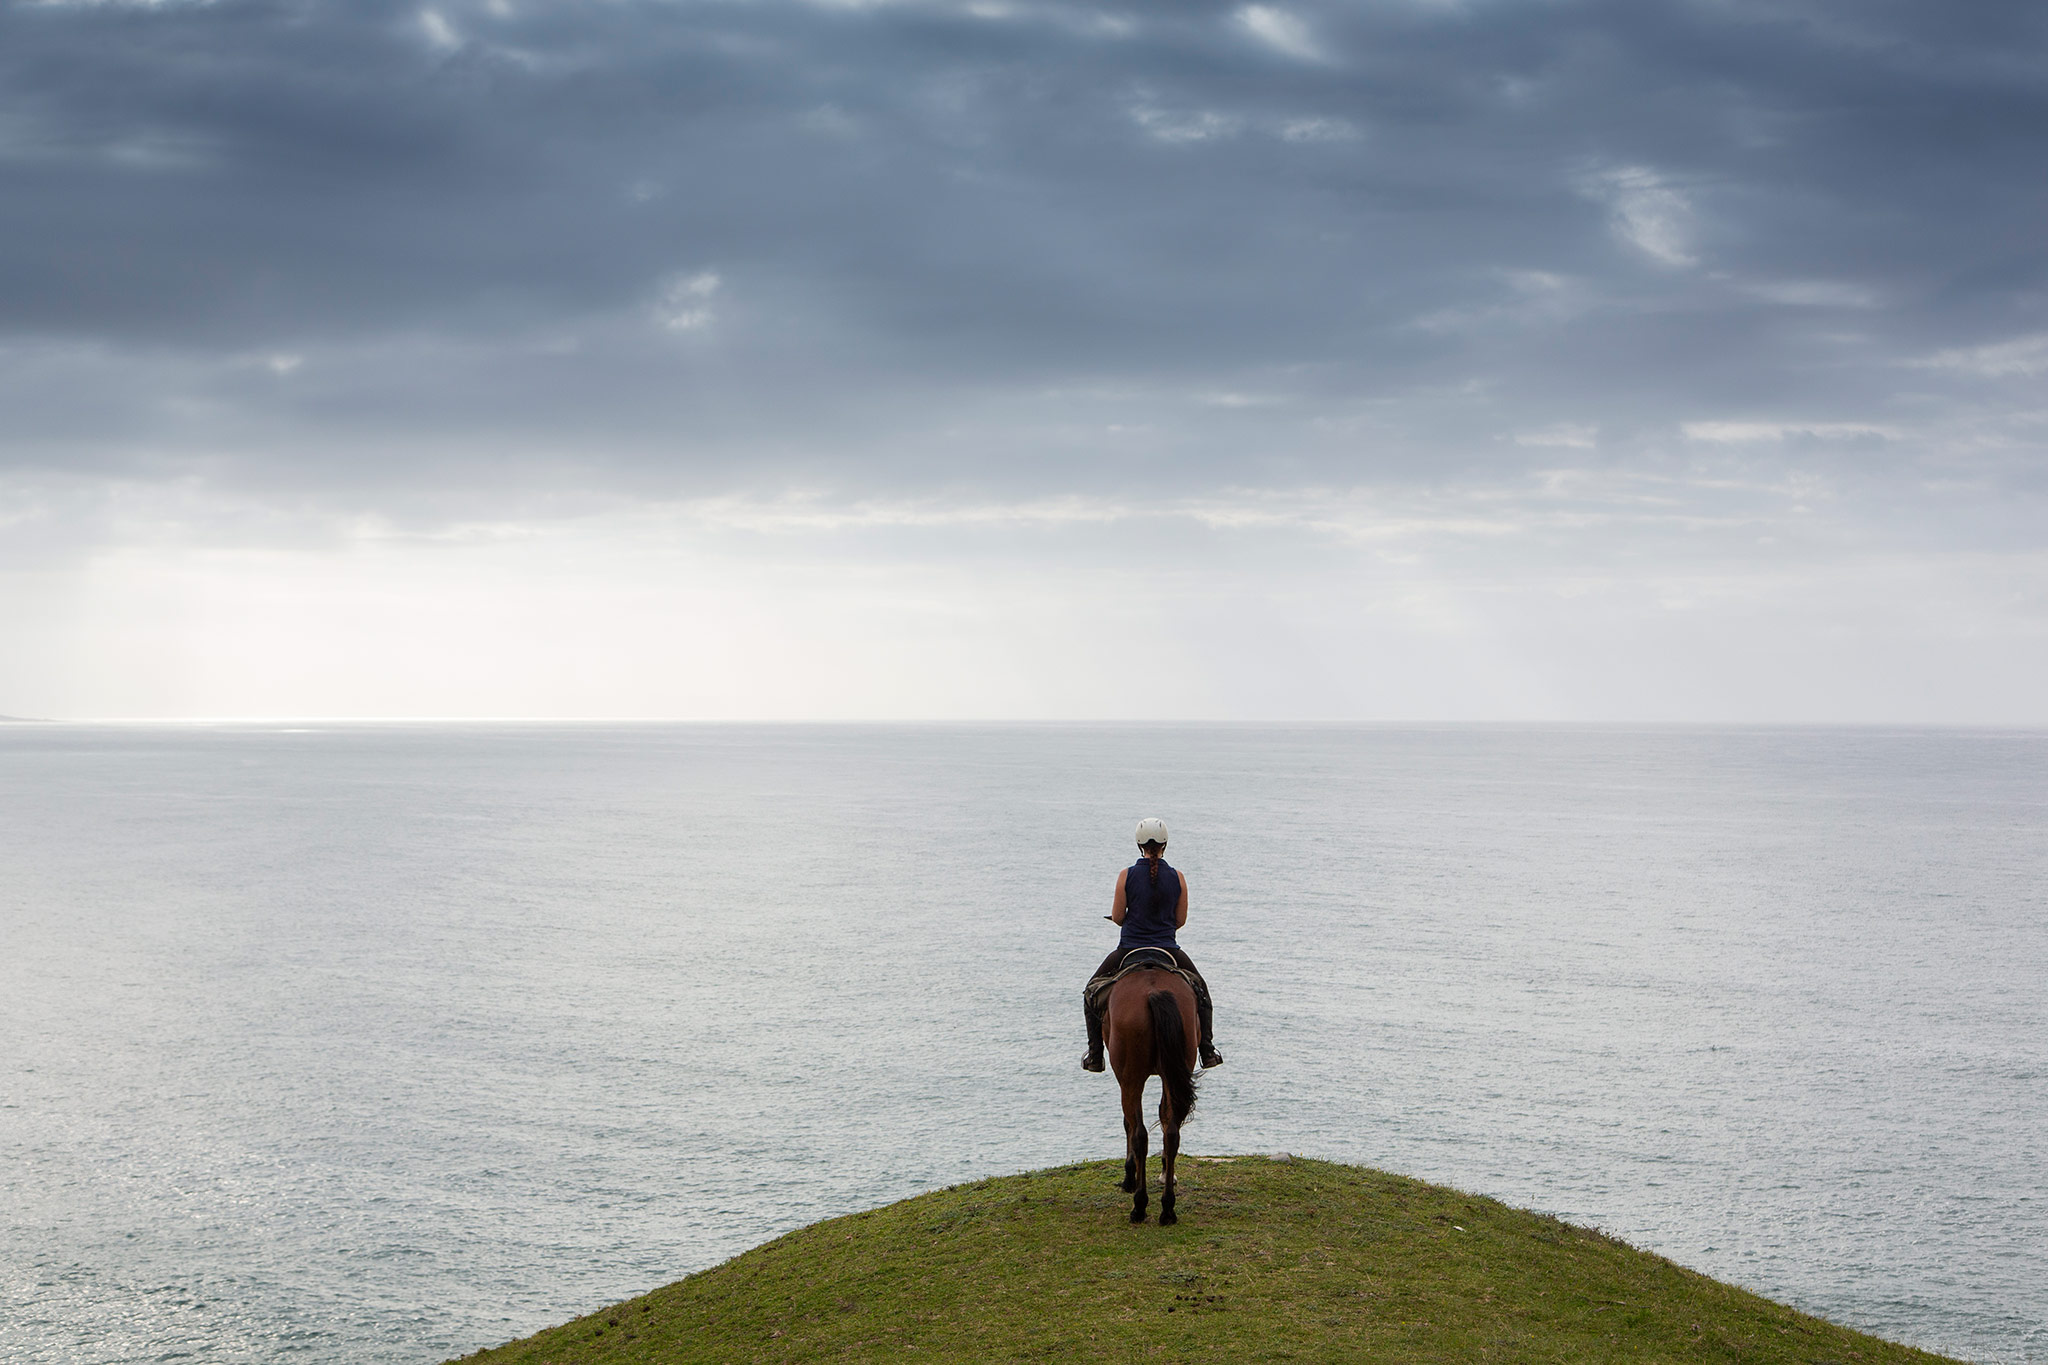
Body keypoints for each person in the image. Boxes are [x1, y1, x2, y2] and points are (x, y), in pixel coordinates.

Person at [1081, 817, 1224, 1072]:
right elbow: (1180, 921)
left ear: (1139, 845)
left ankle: (1094, 1056)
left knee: (1091, 992)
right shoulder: (1178, 878)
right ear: (1165, 844)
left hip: (1129, 949)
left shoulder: (1126, 875)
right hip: (1168, 949)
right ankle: (1207, 1050)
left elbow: (1118, 917)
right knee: (1201, 991)